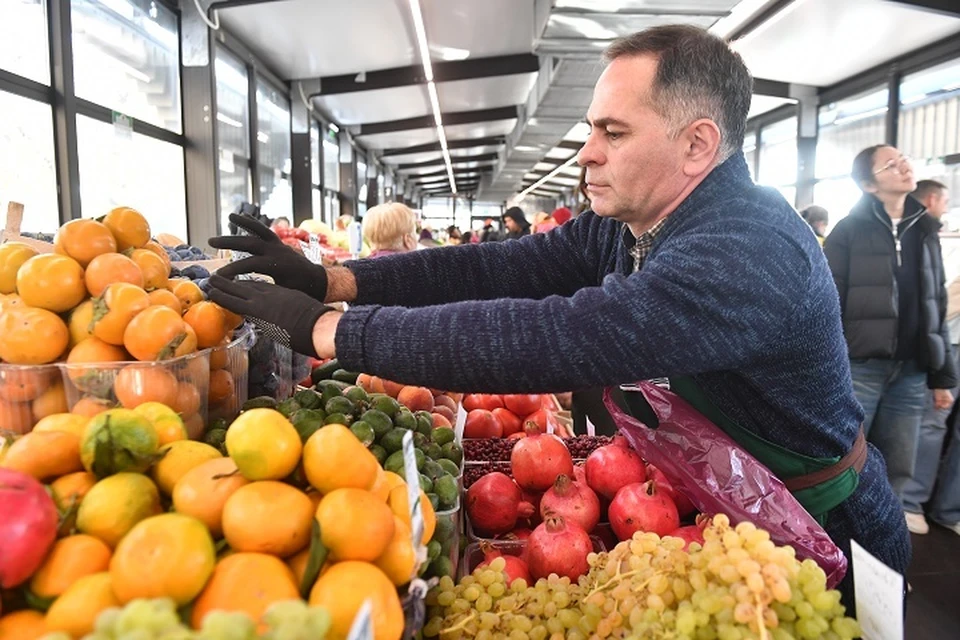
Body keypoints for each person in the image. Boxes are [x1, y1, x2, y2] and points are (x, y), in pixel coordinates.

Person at [207, 24, 909, 606]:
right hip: (734, 502)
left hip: (823, 528)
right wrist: (335, 277)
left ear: (696, 144)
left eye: (613, 132)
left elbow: (557, 336)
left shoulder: (745, 246)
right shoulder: (636, 222)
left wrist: (326, 330)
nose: (587, 154)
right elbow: (500, 267)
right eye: (590, 129)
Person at [824, 148, 957, 523]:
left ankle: (883, 552)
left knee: (898, 467)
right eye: (891, 164)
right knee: (847, 462)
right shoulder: (848, 230)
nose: (904, 166)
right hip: (860, 367)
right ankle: (840, 547)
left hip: (912, 372)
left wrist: (941, 376)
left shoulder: (927, 228)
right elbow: (828, 301)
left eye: (904, 159)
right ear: (868, 184)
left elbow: (935, 303)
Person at [901, 179, 960, 534]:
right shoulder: (937, 240)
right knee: (933, 421)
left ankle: (951, 509)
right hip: (948, 345)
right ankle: (912, 501)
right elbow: (938, 303)